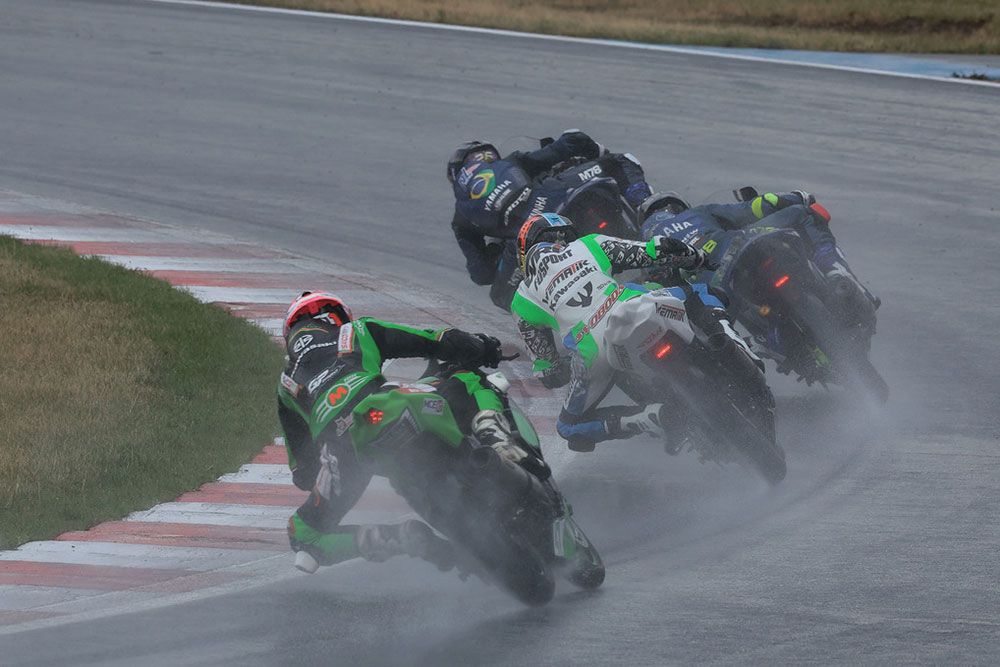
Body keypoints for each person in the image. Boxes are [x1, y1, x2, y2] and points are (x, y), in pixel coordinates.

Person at [278, 291, 514, 573]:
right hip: (388, 405)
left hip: (344, 449)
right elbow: (434, 341)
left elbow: (303, 473)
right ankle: (494, 435)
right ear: (335, 316)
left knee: (304, 534)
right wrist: (482, 347)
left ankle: (398, 538)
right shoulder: (355, 331)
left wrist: (324, 472)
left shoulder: (286, 385)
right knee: (467, 376)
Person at [510, 213, 756, 452]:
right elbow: (658, 250)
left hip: (592, 350)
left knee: (568, 427)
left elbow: (550, 374)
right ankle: (735, 344)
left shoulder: (521, 299)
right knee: (702, 291)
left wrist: (567, 366)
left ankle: (648, 417)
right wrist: (698, 259)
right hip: (634, 305)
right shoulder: (588, 244)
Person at [447, 130, 654, 309]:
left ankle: (562, 323)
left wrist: (495, 249)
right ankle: (653, 215)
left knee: (501, 296)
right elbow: (571, 141)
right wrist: (596, 151)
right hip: (557, 197)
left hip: (525, 243)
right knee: (621, 161)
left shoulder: (461, 219)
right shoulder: (510, 162)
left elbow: (482, 273)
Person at [639, 188, 880, 334]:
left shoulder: (646, 252)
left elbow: (659, 295)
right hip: (741, 244)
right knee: (806, 215)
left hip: (714, 284)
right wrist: (797, 197)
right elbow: (756, 207)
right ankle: (836, 272)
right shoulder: (697, 213)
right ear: (678, 207)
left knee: (715, 329)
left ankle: (740, 363)